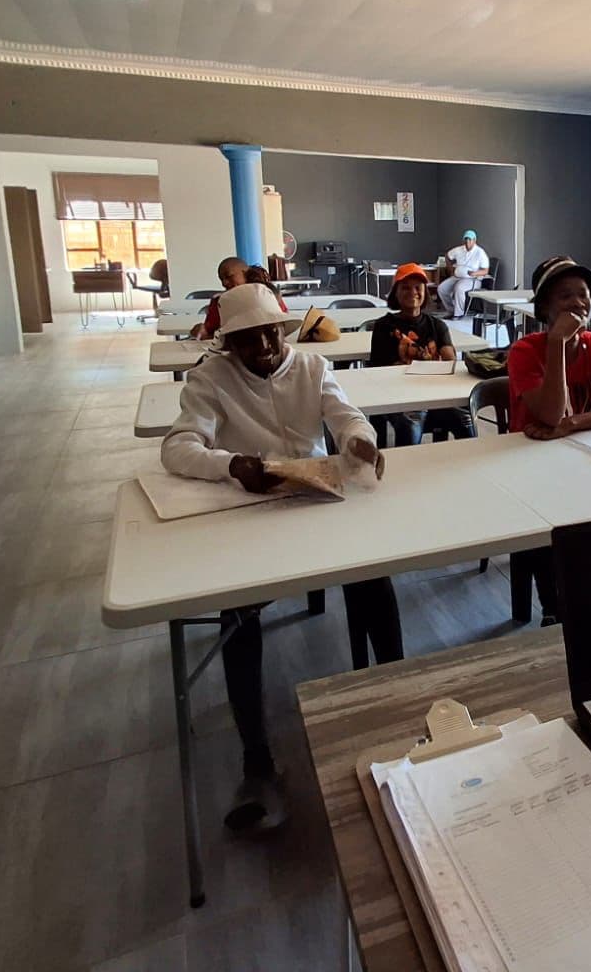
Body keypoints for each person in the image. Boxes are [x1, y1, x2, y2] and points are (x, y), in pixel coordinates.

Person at [161, 282, 394, 831]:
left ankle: (393, 710)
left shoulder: (311, 367)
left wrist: (358, 441)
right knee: (239, 612)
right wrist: (230, 464)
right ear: (229, 343)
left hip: (318, 498)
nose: (263, 344)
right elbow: (177, 447)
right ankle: (257, 756)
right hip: (254, 509)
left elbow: (347, 416)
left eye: (271, 332)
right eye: (247, 338)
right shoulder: (209, 378)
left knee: (373, 580)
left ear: (284, 330)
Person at [505, 256, 591, 625]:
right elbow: (548, 414)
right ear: (544, 307)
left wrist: (571, 424)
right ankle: (554, 609)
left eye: (583, 294)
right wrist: (558, 343)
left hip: (576, 451)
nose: (578, 302)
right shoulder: (525, 351)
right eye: (565, 296)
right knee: (548, 524)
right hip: (524, 461)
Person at [367, 262, 473, 445]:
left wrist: (448, 355)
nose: (413, 292)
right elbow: (377, 368)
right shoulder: (383, 327)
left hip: (432, 395)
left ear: (425, 292)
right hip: (397, 397)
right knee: (411, 427)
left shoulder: (437, 325)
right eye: (405, 288)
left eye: (418, 287)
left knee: (466, 422)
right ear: (395, 293)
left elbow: (449, 360)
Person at [191, 258, 285, 340]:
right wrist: (202, 330)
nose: (224, 283)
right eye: (221, 279)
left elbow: (283, 326)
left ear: (245, 273)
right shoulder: (219, 302)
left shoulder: (267, 296)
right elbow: (210, 333)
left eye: (229, 276)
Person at [436, 229, 490, 318]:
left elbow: (485, 270)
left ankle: (458, 314)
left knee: (459, 288)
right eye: (466, 239)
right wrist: (451, 270)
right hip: (457, 277)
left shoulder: (480, 252)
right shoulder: (459, 249)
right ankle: (451, 310)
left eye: (470, 239)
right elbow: (447, 256)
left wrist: (475, 273)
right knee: (442, 288)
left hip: (472, 279)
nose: (467, 242)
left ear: (474, 240)